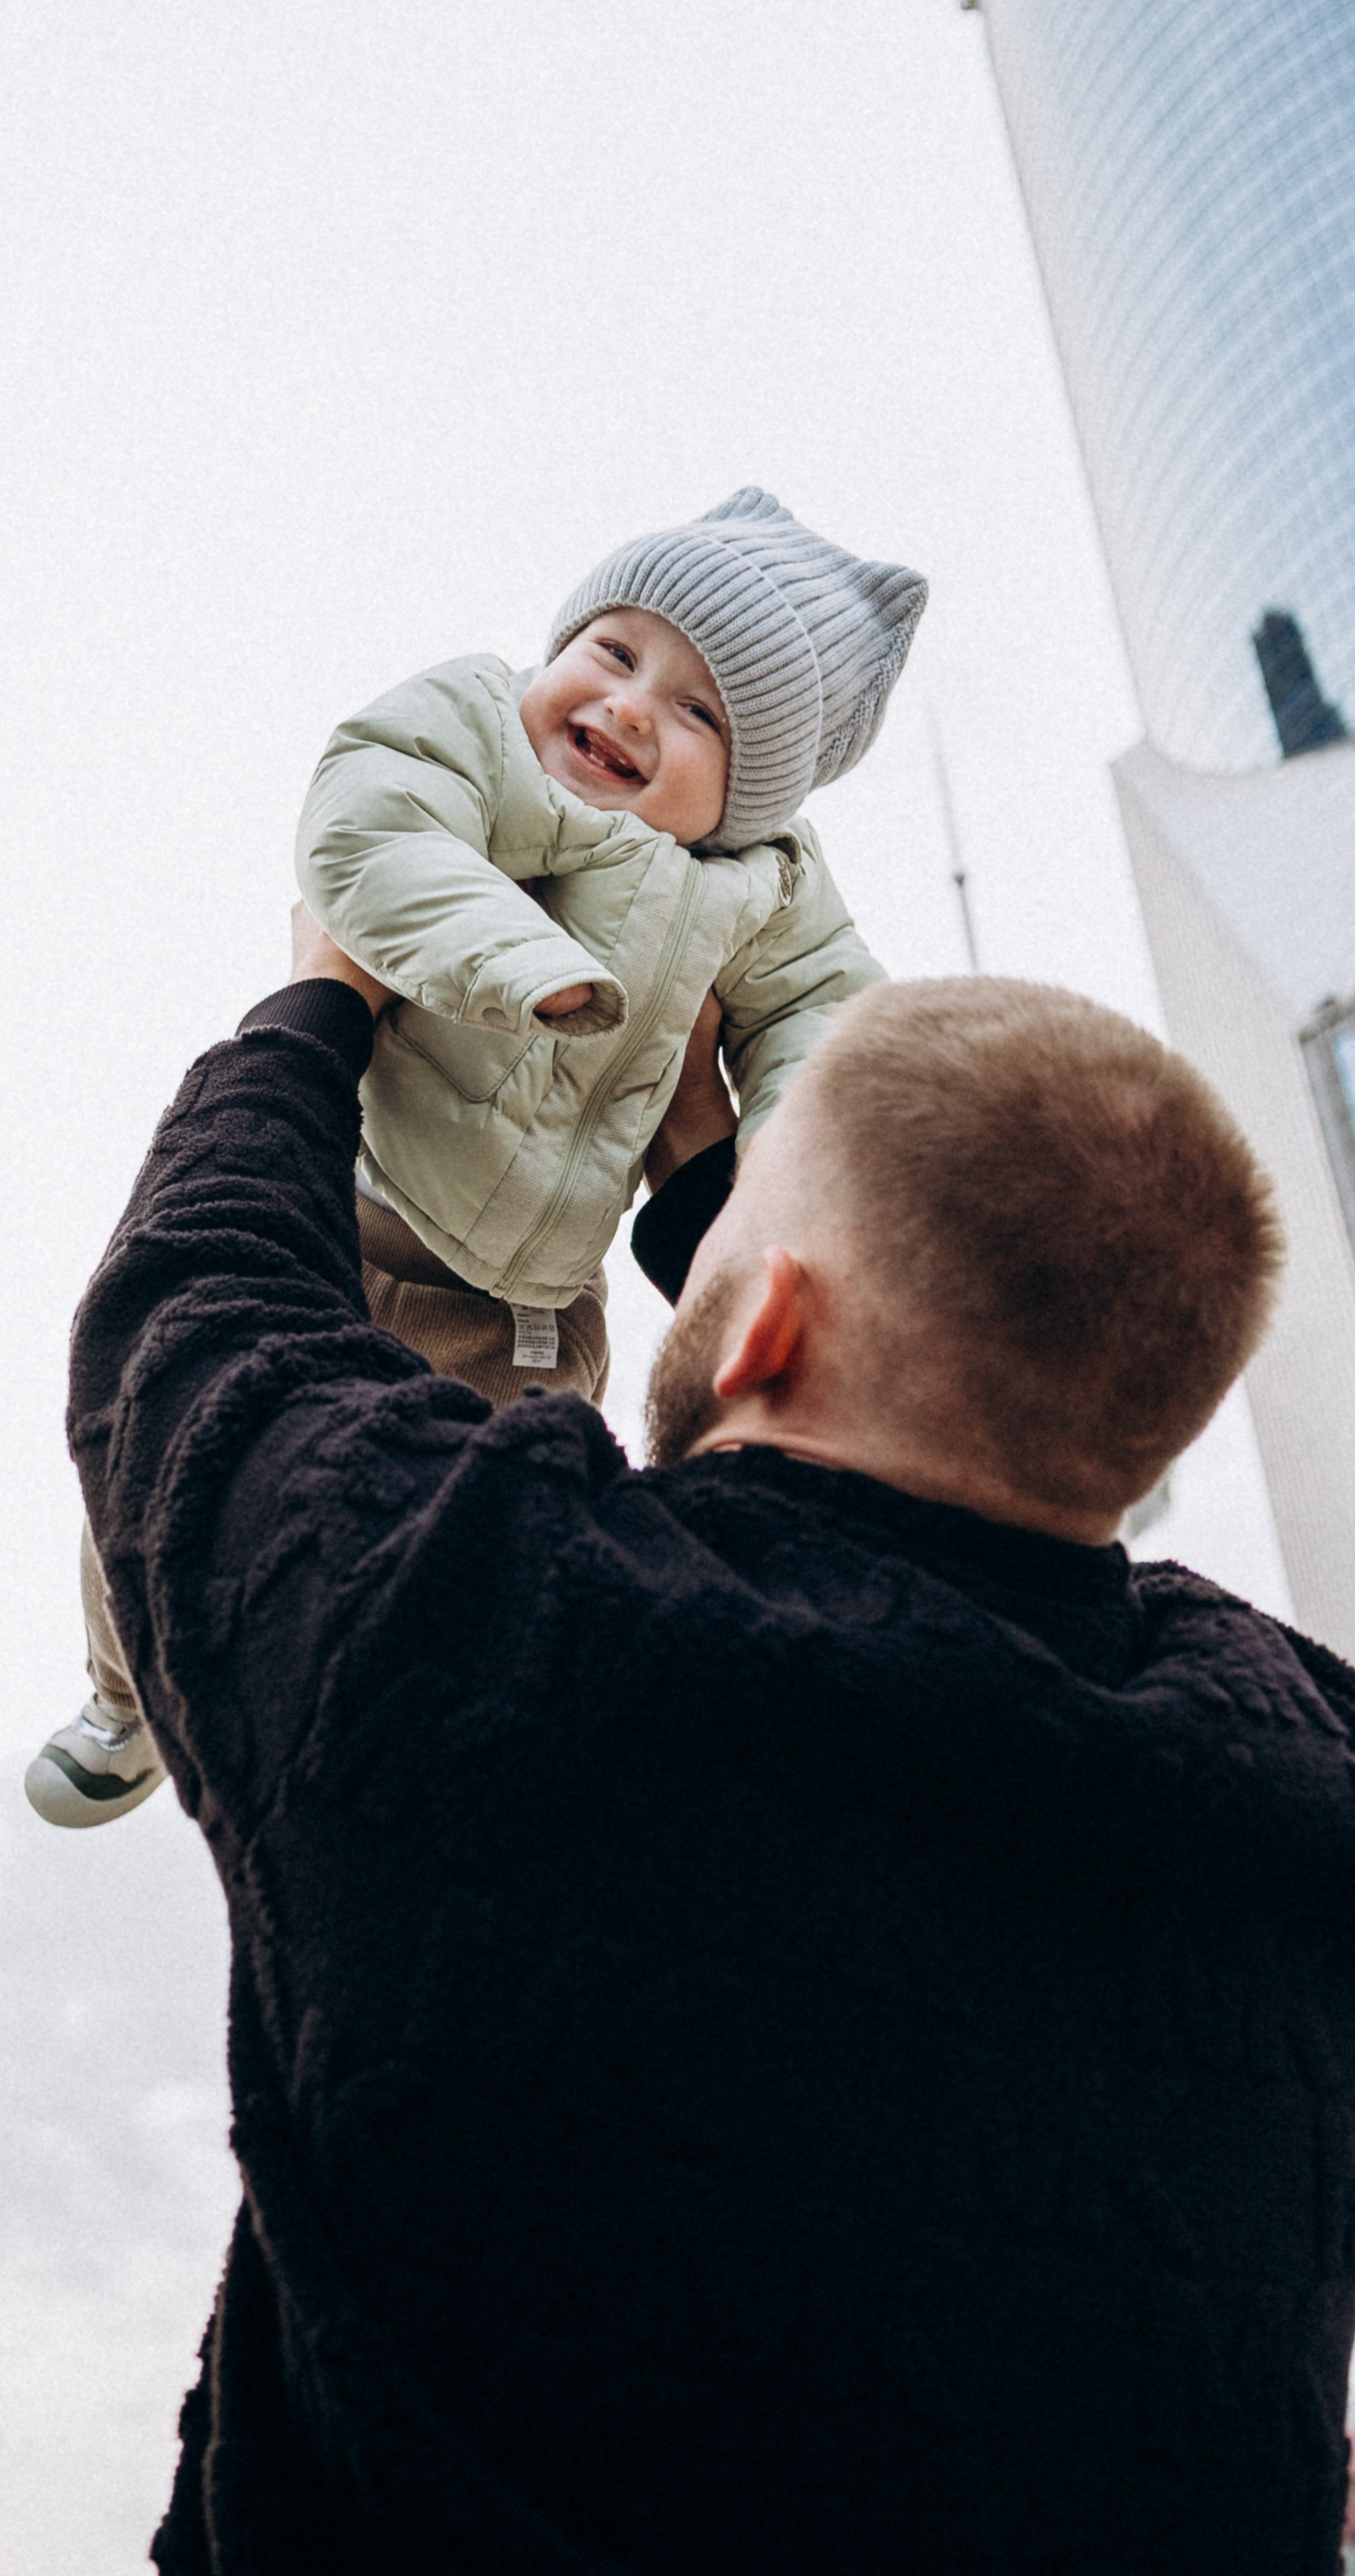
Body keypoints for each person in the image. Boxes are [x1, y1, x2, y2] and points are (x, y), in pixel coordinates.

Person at [65, 918, 1355, 2573]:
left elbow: (201, 1307)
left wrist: (324, 995)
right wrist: (738, 1209)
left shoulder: (484, 1624)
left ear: (765, 1325)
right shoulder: (1298, 1809)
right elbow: (963, 1450)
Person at [28, 485, 927, 1824]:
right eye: (616, 654)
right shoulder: (482, 735)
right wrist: (521, 963)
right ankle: (129, 1694)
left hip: (532, 1313)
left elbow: (830, 1025)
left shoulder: (772, 889)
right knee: (174, 1458)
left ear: (758, 798)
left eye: (700, 713)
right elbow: (365, 826)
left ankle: (429, 1766)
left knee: (501, 1539)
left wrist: (791, 1167)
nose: (629, 708)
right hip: (353, 1220)